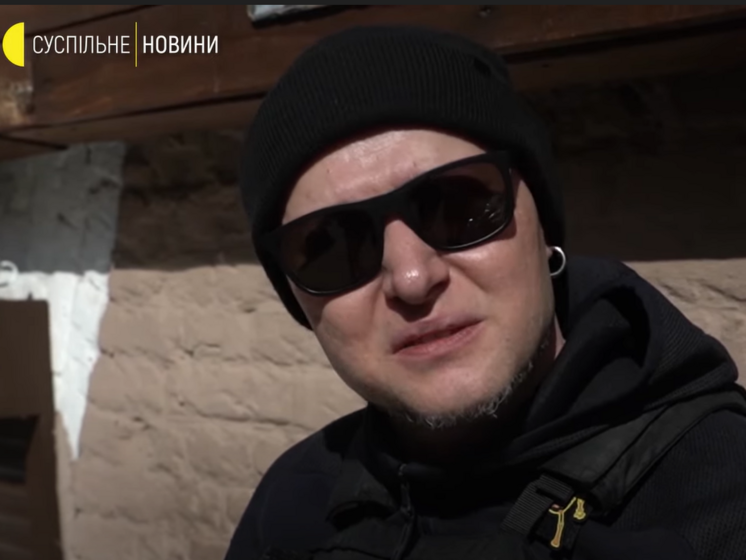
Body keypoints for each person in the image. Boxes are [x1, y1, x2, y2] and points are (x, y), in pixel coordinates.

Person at [227, 26, 746, 560]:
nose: (412, 279)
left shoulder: (722, 498)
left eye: (457, 207)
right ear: (297, 300)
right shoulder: (290, 508)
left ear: (542, 224)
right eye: (335, 247)